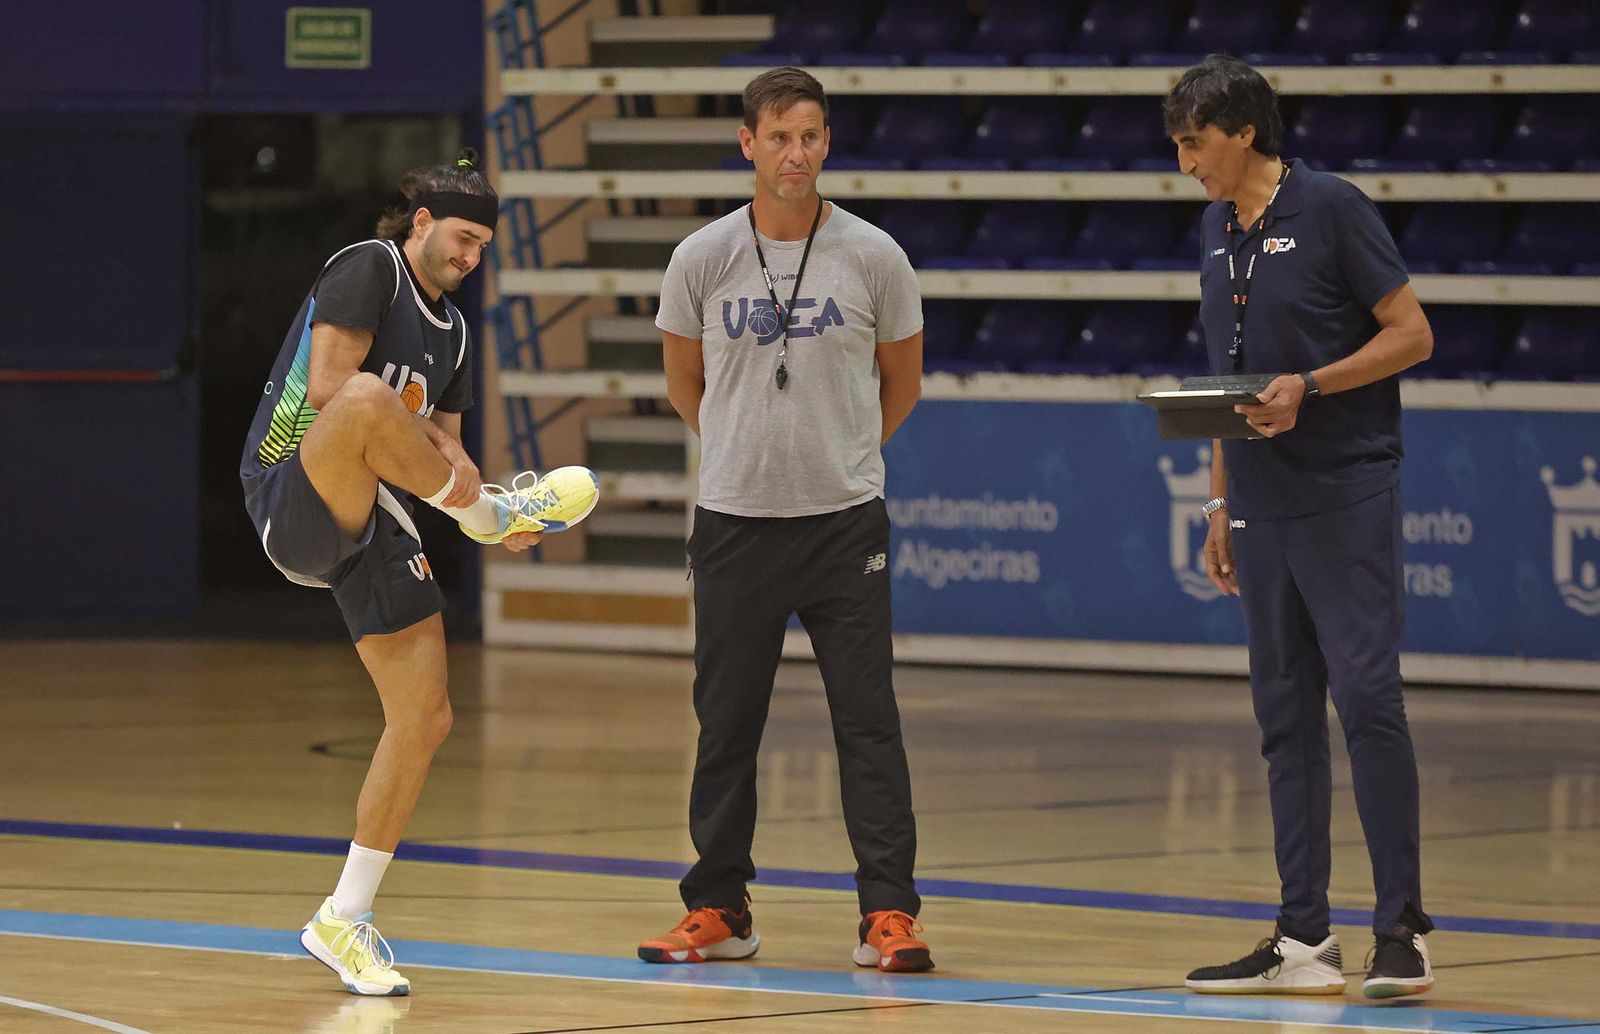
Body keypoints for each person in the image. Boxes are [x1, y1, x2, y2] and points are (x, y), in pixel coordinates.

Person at [239, 149, 598, 996]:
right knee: (366, 397)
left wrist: (467, 483)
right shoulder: (369, 267)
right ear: (423, 223)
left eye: (484, 246)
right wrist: (468, 498)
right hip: (295, 486)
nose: (471, 257)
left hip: (383, 507)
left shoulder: (460, 332)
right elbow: (330, 389)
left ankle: (343, 918)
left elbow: (450, 445)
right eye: (462, 239)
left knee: (426, 717)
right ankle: (490, 517)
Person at [640, 67, 932, 972]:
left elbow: (903, 383)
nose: (795, 153)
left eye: (809, 136)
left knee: (868, 722)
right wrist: (745, 450)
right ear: (747, 144)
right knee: (725, 723)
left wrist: (838, 455)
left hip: (844, 525)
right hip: (734, 524)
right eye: (778, 136)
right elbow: (685, 384)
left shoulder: (875, 255)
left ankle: (888, 913)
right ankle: (719, 908)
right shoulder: (701, 258)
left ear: (826, 144)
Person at [1161, 57, 1437, 999]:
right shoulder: (1212, 226)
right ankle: (1302, 938)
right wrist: (1218, 502)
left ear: (1242, 133)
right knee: (1284, 720)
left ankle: (1401, 929)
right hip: (1262, 501)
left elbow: (1412, 333)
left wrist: (1313, 388)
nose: (1185, 161)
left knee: (1367, 701)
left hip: (1345, 489)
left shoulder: (1331, 208)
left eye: (1194, 142)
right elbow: (1227, 373)